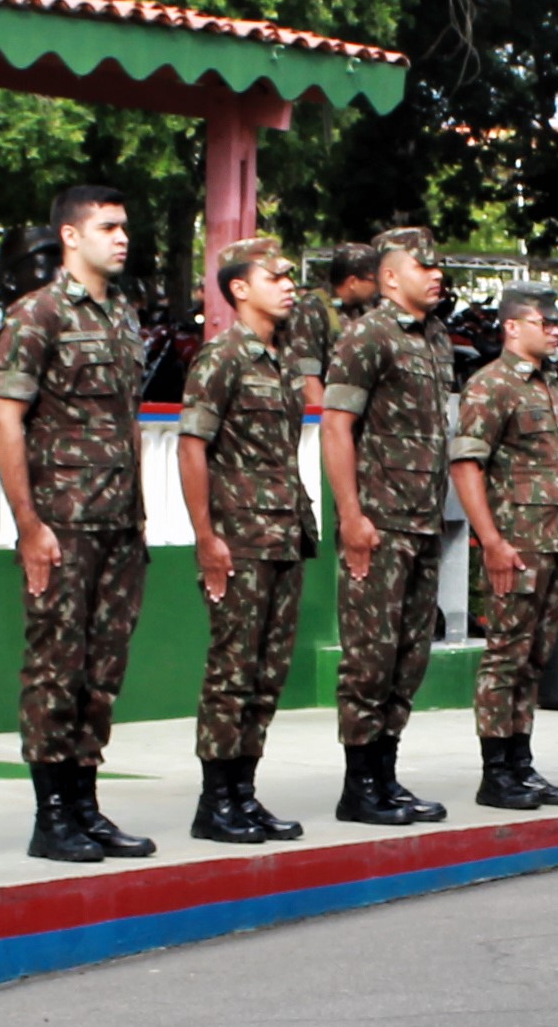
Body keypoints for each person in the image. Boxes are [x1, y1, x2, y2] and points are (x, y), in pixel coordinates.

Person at [0, 179, 157, 863]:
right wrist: (29, 523)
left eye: (124, 226)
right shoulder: (38, 314)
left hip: (118, 522)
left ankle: (85, 804)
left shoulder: (121, 314)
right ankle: (51, 812)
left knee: (100, 669)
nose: (121, 237)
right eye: (108, 227)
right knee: (55, 668)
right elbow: (6, 417)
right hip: (63, 521)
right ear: (70, 235)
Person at [179, 235, 315, 845]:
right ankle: (216, 801)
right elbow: (192, 448)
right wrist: (206, 537)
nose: (289, 285)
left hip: (284, 533)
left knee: (266, 673)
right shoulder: (222, 357)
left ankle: (244, 792)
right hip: (240, 538)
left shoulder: (283, 359)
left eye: (290, 276)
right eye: (275, 276)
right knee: (233, 670)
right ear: (239, 289)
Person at [321, 229, 458, 825]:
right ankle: (360, 785)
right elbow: (335, 426)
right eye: (423, 267)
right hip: (380, 522)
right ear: (391, 275)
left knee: (409, 655)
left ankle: (385, 773)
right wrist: (351, 515)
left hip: (424, 520)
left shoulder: (435, 338)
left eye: (438, 267)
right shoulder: (367, 334)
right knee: (369, 659)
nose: (436, 275)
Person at [450, 281, 558, 809]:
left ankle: (521, 763)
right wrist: (490, 540)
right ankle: (496, 772)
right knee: (505, 657)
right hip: (517, 545)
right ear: (512, 326)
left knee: (534, 659)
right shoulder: (492, 386)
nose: (555, 330)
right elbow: (467, 465)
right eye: (544, 321)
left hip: (556, 543)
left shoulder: (551, 386)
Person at [287, 240, 379, 415]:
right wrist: (328, 427)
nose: (377, 288)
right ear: (352, 282)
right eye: (373, 281)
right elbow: (308, 380)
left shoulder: (363, 309)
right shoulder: (312, 309)